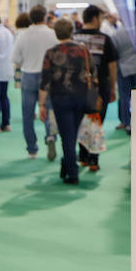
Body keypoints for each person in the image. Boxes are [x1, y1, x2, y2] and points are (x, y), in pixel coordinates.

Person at [39, 17, 94, 185]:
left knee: (67, 136)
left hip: (60, 98)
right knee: (73, 133)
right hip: (80, 96)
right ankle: (67, 164)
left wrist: (41, 104)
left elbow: (45, 82)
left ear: (56, 33)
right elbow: (93, 71)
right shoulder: (83, 50)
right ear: (72, 31)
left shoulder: (50, 53)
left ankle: (72, 172)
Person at [11, 5, 60, 160]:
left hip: (28, 75)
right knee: (49, 109)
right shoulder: (53, 34)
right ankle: (51, 136)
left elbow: (15, 59)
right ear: (45, 17)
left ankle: (32, 148)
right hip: (48, 76)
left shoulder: (23, 36)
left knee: (27, 114)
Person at [76, 5, 119, 172]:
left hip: (77, 88)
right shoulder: (105, 39)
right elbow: (112, 66)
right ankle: (93, 159)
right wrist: (113, 87)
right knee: (96, 122)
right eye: (101, 18)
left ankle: (83, 156)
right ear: (94, 19)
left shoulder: (74, 37)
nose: (102, 22)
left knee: (80, 122)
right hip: (99, 88)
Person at [108, 11, 136, 132]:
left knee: (124, 96)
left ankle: (125, 122)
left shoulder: (117, 34)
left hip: (123, 67)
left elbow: (114, 54)